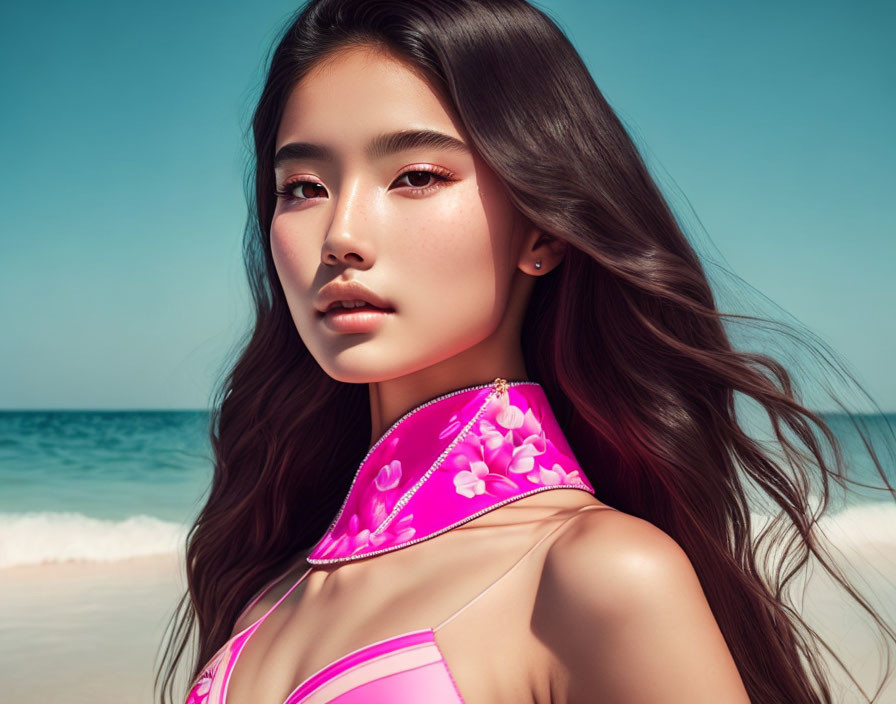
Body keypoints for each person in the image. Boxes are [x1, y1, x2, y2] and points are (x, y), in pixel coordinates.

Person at [157, 1, 896, 703]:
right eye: (304, 186)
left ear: (541, 230)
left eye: (416, 176)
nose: (341, 234)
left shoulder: (595, 576)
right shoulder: (265, 595)